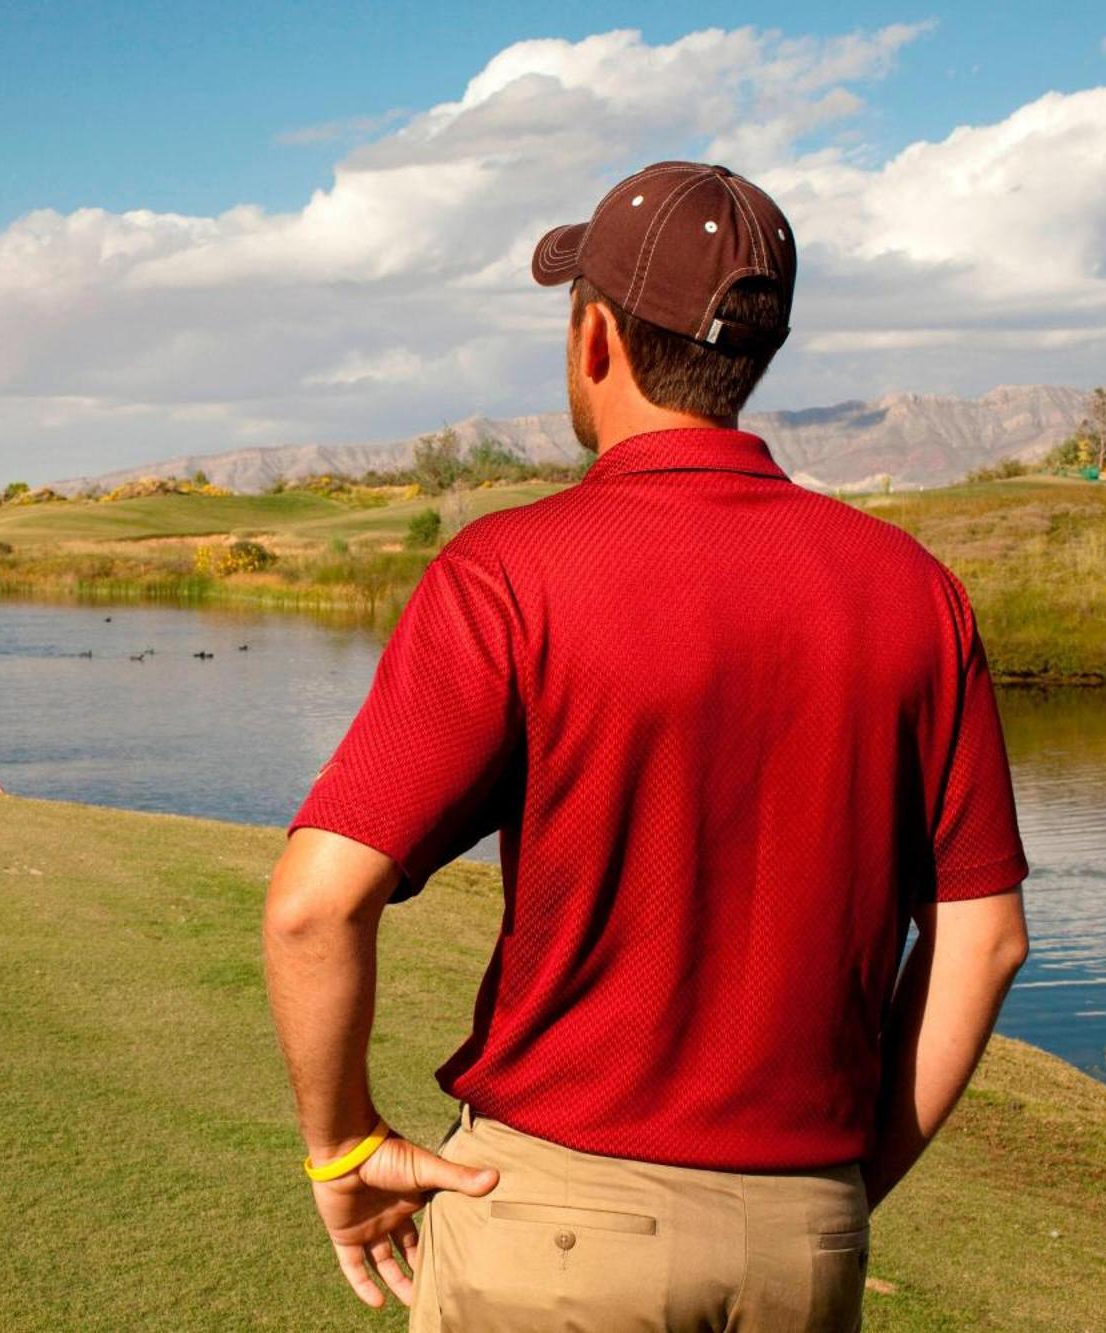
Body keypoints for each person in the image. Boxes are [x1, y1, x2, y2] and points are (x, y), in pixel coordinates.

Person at [262, 160, 1030, 1332]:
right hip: (805, 1235)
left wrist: (339, 1147)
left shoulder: (510, 571)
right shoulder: (916, 592)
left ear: (593, 342)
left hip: (552, 1219)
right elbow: (981, 941)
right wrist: (834, 1191)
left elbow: (314, 906)